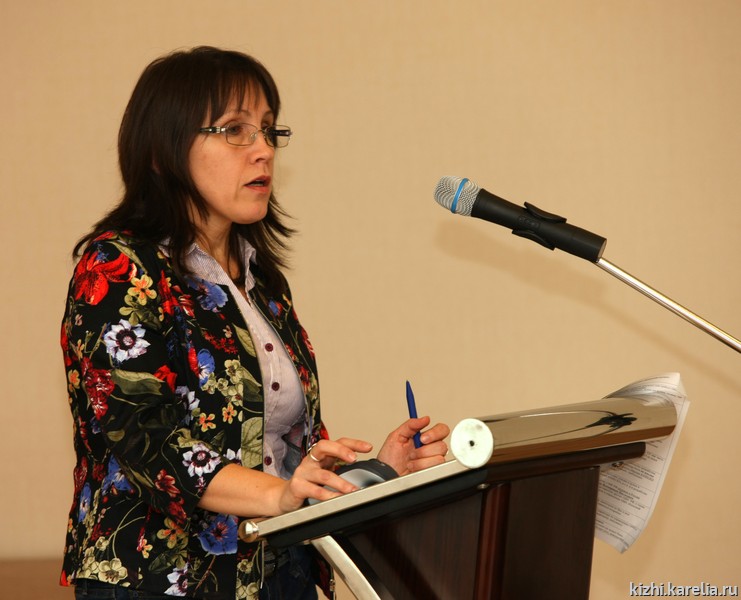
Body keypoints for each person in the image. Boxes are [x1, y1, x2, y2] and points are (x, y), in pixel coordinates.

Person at [59, 46, 449, 600]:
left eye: (268, 129)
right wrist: (276, 496)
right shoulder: (118, 267)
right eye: (235, 130)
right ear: (163, 151)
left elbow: (285, 452)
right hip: (162, 579)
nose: (263, 149)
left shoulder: (261, 282)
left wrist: (373, 475)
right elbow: (144, 439)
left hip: (279, 571)